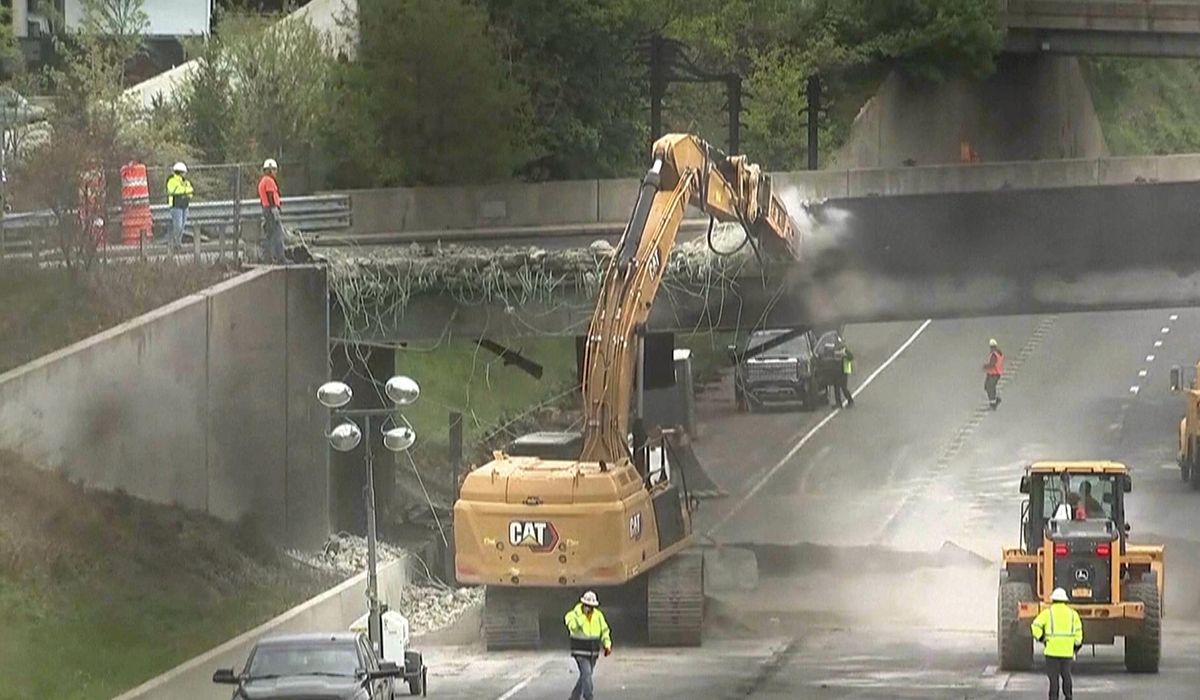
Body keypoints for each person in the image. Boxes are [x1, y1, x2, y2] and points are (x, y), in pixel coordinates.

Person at [1031, 587, 1083, 700]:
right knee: (1066, 676)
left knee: (1053, 679)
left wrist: (1041, 638)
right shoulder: (1073, 614)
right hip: (1067, 652)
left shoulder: (1047, 613)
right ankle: (1068, 696)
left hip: (1051, 652)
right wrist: (1076, 647)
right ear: (1065, 600)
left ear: (1053, 600)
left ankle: (1053, 698)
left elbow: (1035, 626)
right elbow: (1078, 633)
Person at [564, 590, 612, 700]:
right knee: (587, 674)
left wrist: (607, 644)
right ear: (583, 604)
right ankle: (589, 697)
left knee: (585, 676)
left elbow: (604, 630)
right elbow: (573, 627)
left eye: (592, 606)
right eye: (588, 606)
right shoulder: (572, 615)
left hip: (593, 652)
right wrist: (583, 617)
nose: (590, 609)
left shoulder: (598, 616)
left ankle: (574, 697)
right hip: (580, 651)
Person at [258, 158, 287, 264]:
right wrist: (274, 209)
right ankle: (281, 258)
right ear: (270, 170)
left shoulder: (262, 181)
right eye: (274, 170)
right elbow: (270, 195)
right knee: (278, 233)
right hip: (271, 210)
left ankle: (267, 258)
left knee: (269, 235)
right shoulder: (269, 181)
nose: (276, 172)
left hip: (266, 210)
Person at [165, 162, 193, 252]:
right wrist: (185, 191)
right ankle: (176, 244)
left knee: (182, 226)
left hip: (185, 205)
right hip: (175, 205)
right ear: (181, 172)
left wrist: (185, 191)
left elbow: (191, 191)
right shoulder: (171, 181)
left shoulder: (185, 182)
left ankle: (178, 244)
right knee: (178, 225)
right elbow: (175, 191)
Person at [983, 338, 1004, 410]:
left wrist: (985, 366)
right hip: (995, 373)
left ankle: (993, 403)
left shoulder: (994, 355)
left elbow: (992, 364)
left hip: (993, 374)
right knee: (989, 387)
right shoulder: (999, 353)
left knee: (989, 387)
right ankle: (994, 400)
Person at [832, 344, 855, 408]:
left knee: (843, 388)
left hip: (844, 372)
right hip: (836, 371)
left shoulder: (845, 351)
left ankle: (850, 400)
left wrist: (845, 355)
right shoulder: (833, 349)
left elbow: (851, 357)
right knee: (836, 387)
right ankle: (838, 403)